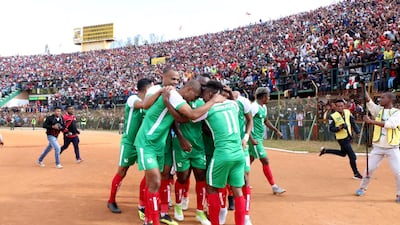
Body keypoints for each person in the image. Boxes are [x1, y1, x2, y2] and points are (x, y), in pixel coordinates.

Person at [134, 76, 224, 225]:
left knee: (155, 183)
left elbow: (182, 120)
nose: (193, 99)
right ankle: (153, 220)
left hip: (158, 145)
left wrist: (167, 104)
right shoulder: (175, 95)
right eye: (194, 96)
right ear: (189, 89)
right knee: (155, 181)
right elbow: (192, 114)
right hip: (146, 142)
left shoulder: (172, 98)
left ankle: (149, 218)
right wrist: (213, 101)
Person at [192, 80, 246, 225]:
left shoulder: (208, 108)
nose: (202, 98)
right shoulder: (234, 105)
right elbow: (233, 100)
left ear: (210, 94)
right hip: (239, 154)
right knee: (237, 191)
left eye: (204, 95)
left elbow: (193, 115)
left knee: (211, 187)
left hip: (222, 153)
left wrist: (211, 102)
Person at [107, 78, 153, 216]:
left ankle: (142, 204)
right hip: (129, 142)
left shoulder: (148, 103)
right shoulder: (132, 99)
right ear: (145, 89)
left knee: (149, 172)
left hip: (143, 144)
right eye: (151, 88)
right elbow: (144, 105)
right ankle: (111, 200)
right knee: (122, 171)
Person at [356, 92, 400, 202]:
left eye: (383, 97)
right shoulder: (379, 110)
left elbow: (390, 125)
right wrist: (363, 87)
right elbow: (369, 102)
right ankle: (362, 188)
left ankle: (399, 194)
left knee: (398, 172)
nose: (380, 99)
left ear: (390, 100)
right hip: (378, 146)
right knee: (369, 169)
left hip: (392, 147)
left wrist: (371, 121)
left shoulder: (397, 113)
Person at [248, 87, 286, 195]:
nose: (269, 98)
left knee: (249, 160)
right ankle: (274, 187)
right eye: (268, 96)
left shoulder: (263, 107)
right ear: (264, 97)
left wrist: (276, 131)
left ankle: (240, 181)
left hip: (259, 138)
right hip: (254, 139)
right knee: (265, 160)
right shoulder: (254, 107)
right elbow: (246, 123)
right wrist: (250, 138)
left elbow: (265, 121)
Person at [319, 99, 362, 179]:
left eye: (342, 106)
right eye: (338, 106)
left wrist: (358, 132)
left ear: (344, 106)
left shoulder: (348, 112)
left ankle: (325, 150)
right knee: (352, 156)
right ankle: (356, 173)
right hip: (341, 138)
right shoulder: (333, 116)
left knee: (343, 153)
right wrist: (339, 127)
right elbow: (331, 129)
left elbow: (353, 123)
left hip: (348, 137)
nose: (340, 108)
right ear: (335, 107)